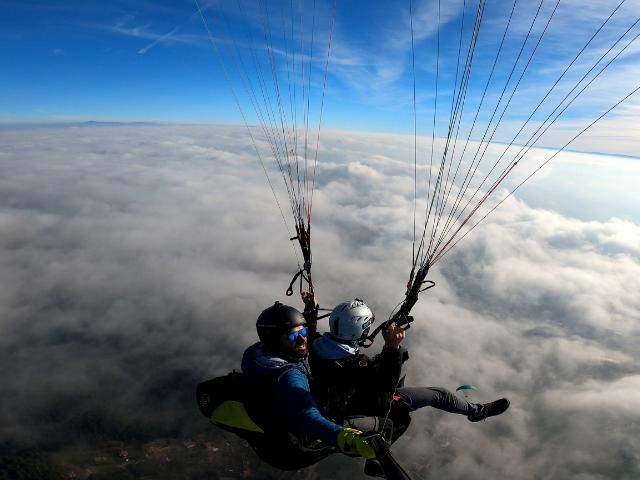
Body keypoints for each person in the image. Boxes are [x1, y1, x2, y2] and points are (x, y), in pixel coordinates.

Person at [307, 298, 510, 476]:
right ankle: (476, 412)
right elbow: (385, 389)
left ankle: (474, 411)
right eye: (367, 327)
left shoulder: (316, 344)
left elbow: (310, 332)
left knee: (403, 374)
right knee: (435, 397)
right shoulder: (357, 365)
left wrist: (311, 310)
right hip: (361, 406)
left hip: (336, 397)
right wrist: (392, 349)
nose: (369, 330)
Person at [240, 301, 378, 470]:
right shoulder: (289, 377)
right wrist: (344, 436)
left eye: (303, 331)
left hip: (274, 441)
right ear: (275, 340)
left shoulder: (260, 354)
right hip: (295, 454)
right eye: (293, 336)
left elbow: (302, 338)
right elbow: (308, 415)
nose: (303, 339)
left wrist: (310, 312)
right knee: (387, 424)